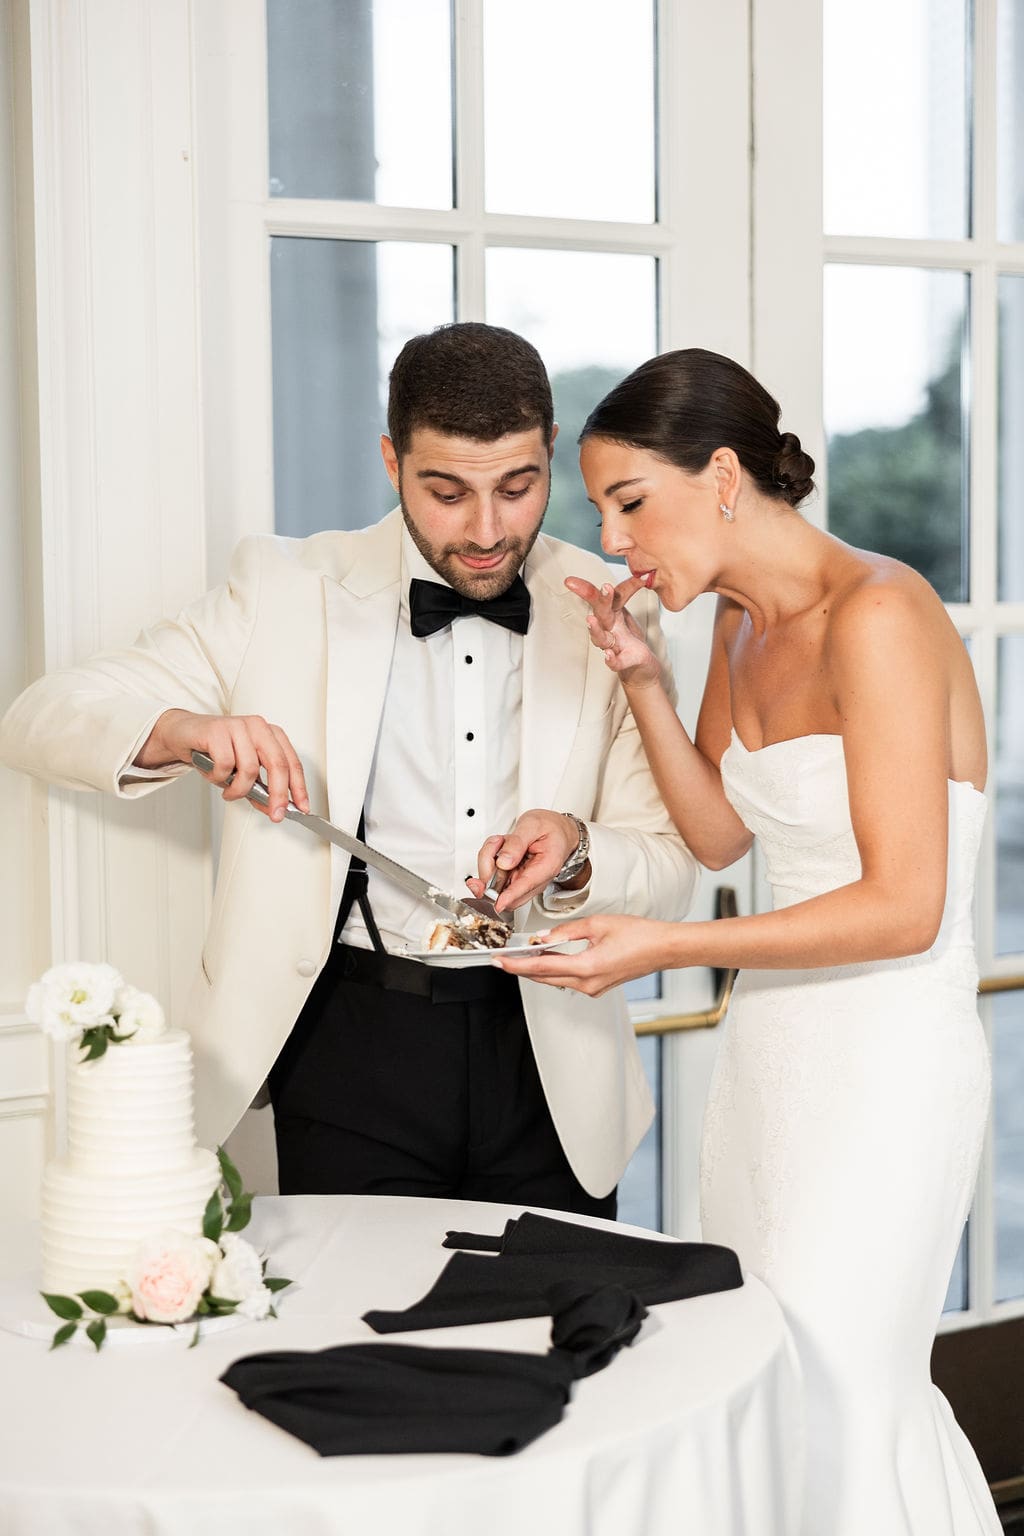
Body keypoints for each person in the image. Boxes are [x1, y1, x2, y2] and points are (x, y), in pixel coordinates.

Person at [0, 322, 698, 1218]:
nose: (487, 531)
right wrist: (180, 729)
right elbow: (39, 716)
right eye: (446, 492)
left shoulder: (614, 618)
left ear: (551, 454)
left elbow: (673, 869)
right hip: (352, 1045)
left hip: (553, 1060)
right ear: (390, 459)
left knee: (551, 1344)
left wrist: (576, 850)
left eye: (518, 488)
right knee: (352, 1341)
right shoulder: (286, 590)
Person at [497, 349, 1001, 1531]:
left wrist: (660, 948)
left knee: (843, 1385)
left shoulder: (881, 612)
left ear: (721, 474)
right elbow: (723, 835)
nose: (614, 543)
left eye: (628, 504)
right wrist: (642, 685)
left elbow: (903, 908)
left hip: (886, 1066)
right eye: (601, 513)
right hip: (773, 1062)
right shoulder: (731, 622)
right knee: (766, 1375)